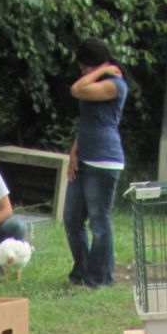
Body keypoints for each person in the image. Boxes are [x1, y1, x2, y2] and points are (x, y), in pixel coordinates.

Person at [64, 37, 127, 289]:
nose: (82, 72)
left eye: (84, 67)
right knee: (71, 219)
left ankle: (100, 276)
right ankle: (82, 271)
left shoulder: (115, 84)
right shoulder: (96, 81)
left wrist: (102, 69)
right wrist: (74, 152)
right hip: (84, 156)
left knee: (99, 222)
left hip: (104, 159)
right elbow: (87, 122)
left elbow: (76, 90)